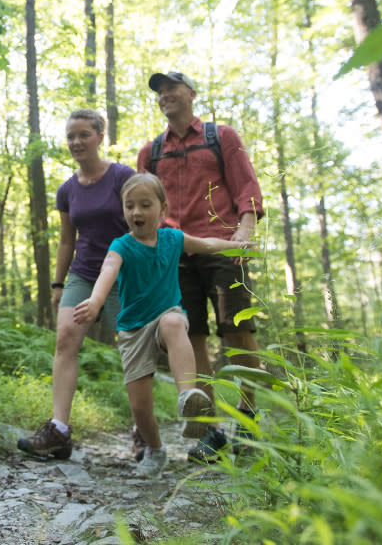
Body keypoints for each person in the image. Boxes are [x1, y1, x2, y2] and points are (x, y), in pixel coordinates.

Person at [73, 173, 250, 477]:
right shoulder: (121, 246)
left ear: (162, 209)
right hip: (132, 330)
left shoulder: (173, 238)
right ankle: (156, 450)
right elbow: (108, 270)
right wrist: (96, 300)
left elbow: (206, 244)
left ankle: (188, 397)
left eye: (145, 205)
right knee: (140, 407)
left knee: (173, 322)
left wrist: (236, 246)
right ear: (123, 211)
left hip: (166, 315)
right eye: (130, 206)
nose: (137, 212)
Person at [137, 71, 265, 463]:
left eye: (172, 88)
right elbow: (142, 205)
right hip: (174, 253)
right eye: (160, 91)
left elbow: (247, 188)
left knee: (237, 331)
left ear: (191, 94)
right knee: (191, 338)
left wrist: (244, 233)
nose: (165, 95)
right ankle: (211, 430)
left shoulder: (220, 136)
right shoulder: (151, 151)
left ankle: (248, 419)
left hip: (222, 245)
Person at [17, 110, 136, 460]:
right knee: (65, 339)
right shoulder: (67, 190)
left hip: (124, 272)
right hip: (83, 272)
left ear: (100, 136)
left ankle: (142, 431)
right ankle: (60, 430)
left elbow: (142, 222)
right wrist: (57, 283)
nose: (76, 142)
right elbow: (67, 239)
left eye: (83, 134)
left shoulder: (122, 177)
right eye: (71, 136)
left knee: (131, 347)